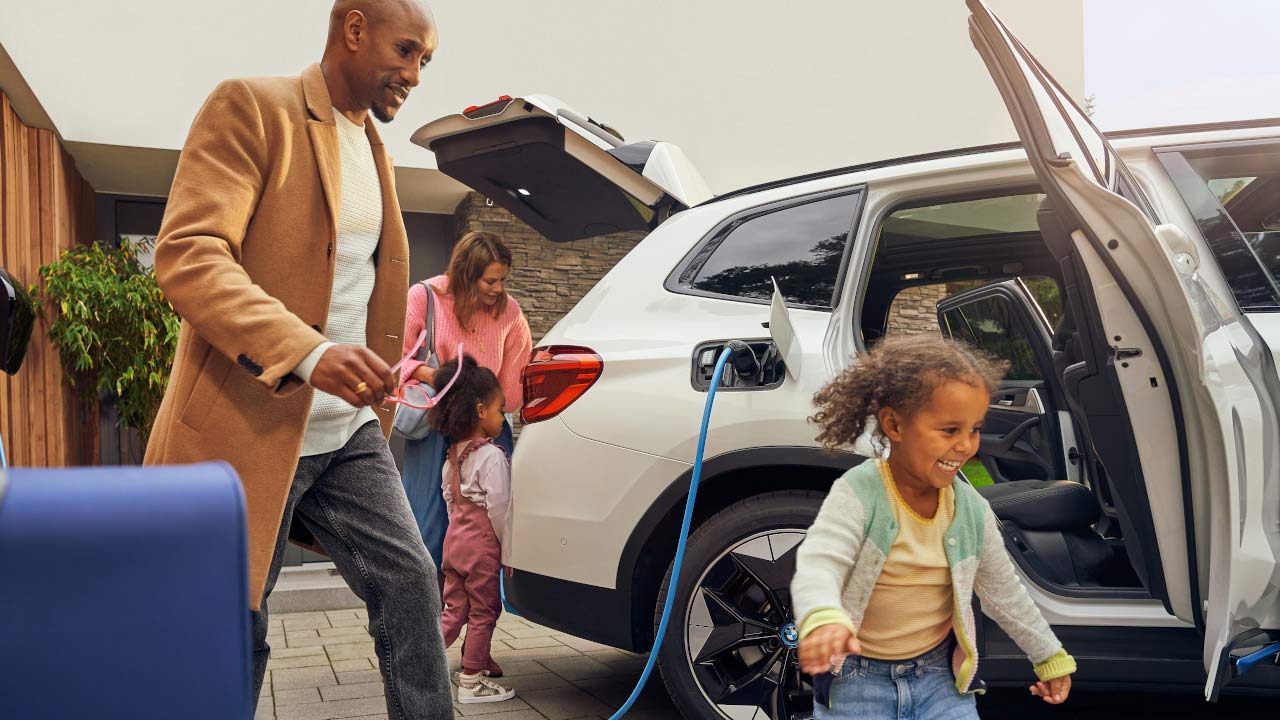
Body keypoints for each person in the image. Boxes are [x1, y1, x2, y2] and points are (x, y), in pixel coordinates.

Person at [143, 1, 453, 716]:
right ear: (353, 28)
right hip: (247, 430)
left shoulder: (375, 148)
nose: (413, 74)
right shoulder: (253, 107)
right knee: (234, 620)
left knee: (411, 583)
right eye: (406, 51)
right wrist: (310, 354)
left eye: (424, 62)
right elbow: (189, 256)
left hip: (347, 432)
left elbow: (349, 283)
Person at [791, 336, 1075, 719]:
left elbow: (1003, 591)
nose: (965, 446)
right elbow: (820, 561)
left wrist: (1048, 654)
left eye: (974, 429)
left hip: (939, 679)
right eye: (949, 430)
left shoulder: (970, 509)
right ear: (894, 424)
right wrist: (822, 615)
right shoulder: (859, 493)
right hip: (857, 681)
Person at [398, 231, 532, 572]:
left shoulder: (511, 313)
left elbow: (514, 394)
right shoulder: (425, 297)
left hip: (485, 427)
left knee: (489, 532)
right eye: (490, 280)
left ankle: (475, 614)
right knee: (426, 529)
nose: (498, 289)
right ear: (466, 275)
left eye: (502, 280)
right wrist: (438, 376)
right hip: (436, 422)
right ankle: (424, 613)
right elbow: (396, 362)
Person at [427, 354, 517, 703]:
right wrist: (508, 551)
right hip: (481, 549)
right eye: (500, 409)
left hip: (455, 544)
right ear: (480, 411)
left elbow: (449, 501)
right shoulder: (492, 456)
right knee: (484, 611)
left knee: (454, 610)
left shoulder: (452, 456)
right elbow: (499, 509)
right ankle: (471, 681)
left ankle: (424, 659)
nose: (501, 416)